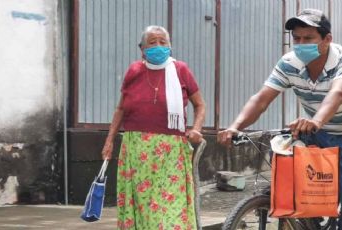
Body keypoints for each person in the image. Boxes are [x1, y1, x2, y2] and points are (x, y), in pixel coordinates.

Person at [217, 8, 342, 227]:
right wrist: (235, 126)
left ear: (327, 39)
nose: (301, 43)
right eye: (297, 38)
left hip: (326, 126)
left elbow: (337, 93)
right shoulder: (289, 63)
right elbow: (261, 99)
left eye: (309, 38)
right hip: (319, 132)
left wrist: (316, 121)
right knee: (293, 181)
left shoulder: (340, 60)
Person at [101, 25, 206, 229]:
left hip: (171, 152)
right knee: (141, 208)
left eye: (163, 42)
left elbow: (200, 105)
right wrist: (109, 140)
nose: (158, 46)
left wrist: (196, 128)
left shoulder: (180, 70)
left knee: (169, 213)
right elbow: (121, 108)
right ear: (142, 49)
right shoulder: (134, 71)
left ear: (170, 46)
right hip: (136, 150)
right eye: (152, 42)